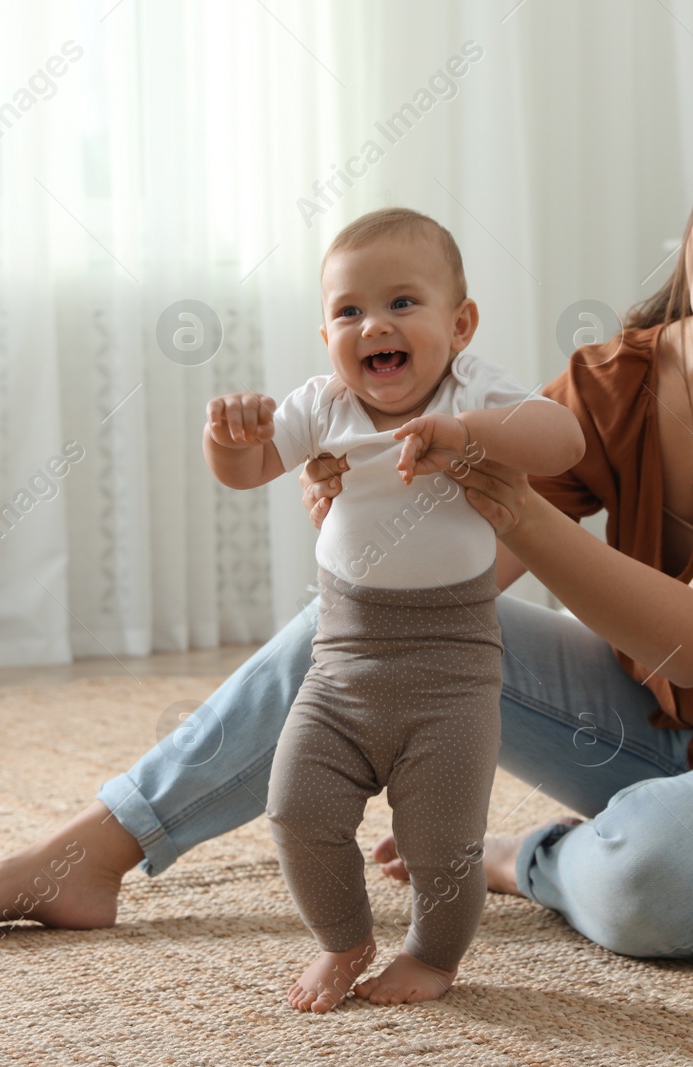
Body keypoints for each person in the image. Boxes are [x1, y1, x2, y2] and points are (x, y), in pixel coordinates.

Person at [0, 91, 693, 1007]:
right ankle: (88, 851)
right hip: (640, 732)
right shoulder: (619, 376)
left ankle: (530, 857)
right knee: (357, 628)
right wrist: (370, 525)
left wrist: (510, 506)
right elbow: (465, 576)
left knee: (649, 885)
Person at [202, 207, 584, 1011]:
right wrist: (229, 436)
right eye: (349, 311)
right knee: (296, 809)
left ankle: (432, 955)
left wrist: (470, 431)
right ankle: (344, 938)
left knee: (441, 845)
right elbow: (246, 471)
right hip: (342, 659)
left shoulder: (473, 388)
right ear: (327, 335)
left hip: (451, 667)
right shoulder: (321, 405)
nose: (374, 323)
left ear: (460, 323)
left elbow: (564, 443)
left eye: (403, 302)